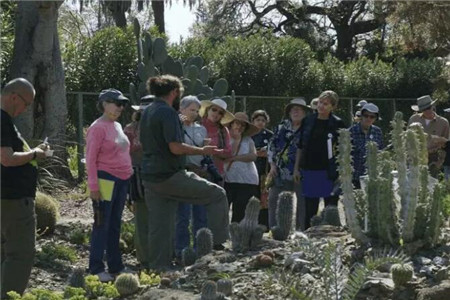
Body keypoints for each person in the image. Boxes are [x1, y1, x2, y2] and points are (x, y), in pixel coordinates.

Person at [140, 75, 230, 271]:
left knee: (160, 225)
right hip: (169, 175)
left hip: (149, 176)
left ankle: (159, 267)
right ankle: (221, 246)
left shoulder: (147, 111)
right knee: (217, 195)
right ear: (174, 92)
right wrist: (202, 151)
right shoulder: (167, 112)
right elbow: (175, 147)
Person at [1, 78, 49, 298]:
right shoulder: (2, 120)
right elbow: (7, 158)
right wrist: (35, 154)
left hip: (7, 199)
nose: (26, 109)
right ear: (13, 97)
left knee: (5, 253)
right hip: (12, 201)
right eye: (26, 103)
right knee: (20, 255)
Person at [85, 88, 133, 282]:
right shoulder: (97, 128)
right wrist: (94, 187)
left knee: (115, 224)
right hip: (105, 179)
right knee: (101, 223)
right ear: (104, 104)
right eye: (116, 103)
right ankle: (96, 267)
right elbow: (90, 159)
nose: (120, 107)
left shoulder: (117, 125)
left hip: (122, 180)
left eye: (122, 104)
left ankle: (116, 265)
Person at [294, 91, 347, 230]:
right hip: (310, 170)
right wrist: (296, 169)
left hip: (330, 172)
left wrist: (342, 171)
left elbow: (344, 149)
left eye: (325, 104)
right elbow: (300, 146)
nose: (321, 106)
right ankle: (309, 236)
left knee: (330, 208)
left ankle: (331, 238)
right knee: (310, 208)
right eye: (319, 103)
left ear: (332, 107)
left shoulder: (338, 123)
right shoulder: (308, 120)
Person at [267, 98, 310, 231]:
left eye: (299, 109)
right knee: (275, 200)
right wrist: (272, 166)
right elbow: (271, 147)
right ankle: (275, 230)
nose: (295, 111)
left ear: (304, 112)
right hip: (280, 171)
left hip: (302, 172)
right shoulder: (280, 127)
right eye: (293, 109)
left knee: (302, 204)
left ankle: (301, 231)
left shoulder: (309, 129)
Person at [174, 96, 208, 260]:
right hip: (183, 171)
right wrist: (179, 121)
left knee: (200, 214)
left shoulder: (201, 129)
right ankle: (181, 250)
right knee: (183, 215)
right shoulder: (176, 126)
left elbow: (204, 150)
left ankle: (201, 250)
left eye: (196, 110)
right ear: (182, 108)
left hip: (199, 172)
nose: (194, 113)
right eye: (191, 110)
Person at [124, 94, 154, 269]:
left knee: (160, 218)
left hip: (160, 175)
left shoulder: (163, 126)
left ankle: (161, 254)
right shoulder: (130, 129)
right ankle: (144, 258)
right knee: (142, 217)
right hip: (137, 175)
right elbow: (125, 153)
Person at [224, 112, 260, 223]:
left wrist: (234, 159)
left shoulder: (248, 140)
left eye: (243, 125)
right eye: (237, 123)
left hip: (246, 180)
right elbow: (228, 154)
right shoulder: (224, 137)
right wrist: (237, 140)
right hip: (228, 179)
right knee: (223, 210)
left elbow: (253, 156)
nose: (239, 126)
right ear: (231, 124)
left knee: (240, 212)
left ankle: (237, 236)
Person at [408, 95, 449, 177]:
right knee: (414, 185)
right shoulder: (414, 119)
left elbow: (446, 144)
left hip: (433, 158)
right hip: (416, 157)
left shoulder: (443, 122)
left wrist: (440, 162)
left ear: (433, 106)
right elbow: (408, 138)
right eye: (424, 109)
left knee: (431, 186)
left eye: (429, 107)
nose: (427, 111)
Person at [349, 103, 384, 189]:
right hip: (355, 177)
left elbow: (381, 150)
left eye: (372, 117)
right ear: (361, 116)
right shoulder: (351, 131)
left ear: (375, 118)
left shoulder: (377, 131)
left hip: (373, 175)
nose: (368, 118)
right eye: (366, 115)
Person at [199, 98, 234, 184]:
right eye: (214, 110)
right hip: (198, 171)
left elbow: (229, 152)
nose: (216, 114)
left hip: (217, 173)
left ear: (222, 116)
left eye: (220, 112)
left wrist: (213, 151)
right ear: (208, 110)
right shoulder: (197, 125)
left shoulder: (223, 130)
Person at [251, 110, 273, 228]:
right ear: (253, 121)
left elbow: (275, 150)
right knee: (252, 196)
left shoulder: (270, 135)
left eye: (263, 120)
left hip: (265, 170)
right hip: (251, 169)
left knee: (264, 197)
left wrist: (267, 153)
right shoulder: (249, 134)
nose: (260, 123)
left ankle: (265, 224)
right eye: (258, 120)